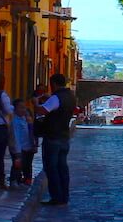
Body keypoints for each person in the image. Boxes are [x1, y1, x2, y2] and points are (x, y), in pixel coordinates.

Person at [38, 73, 77, 206]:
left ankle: (56, 197)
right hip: (64, 136)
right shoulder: (70, 96)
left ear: (53, 84)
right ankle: (64, 196)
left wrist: (34, 104)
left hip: (53, 136)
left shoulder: (56, 97)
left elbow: (43, 111)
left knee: (51, 168)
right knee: (62, 168)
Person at [9, 86, 42, 187]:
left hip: (28, 147)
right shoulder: (15, 122)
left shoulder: (27, 119)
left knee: (27, 165)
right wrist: (17, 152)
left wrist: (35, 145)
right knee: (17, 165)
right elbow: (15, 137)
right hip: (19, 148)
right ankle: (14, 180)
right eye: (21, 107)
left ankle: (26, 180)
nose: (24, 109)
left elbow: (33, 133)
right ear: (15, 109)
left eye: (24, 107)